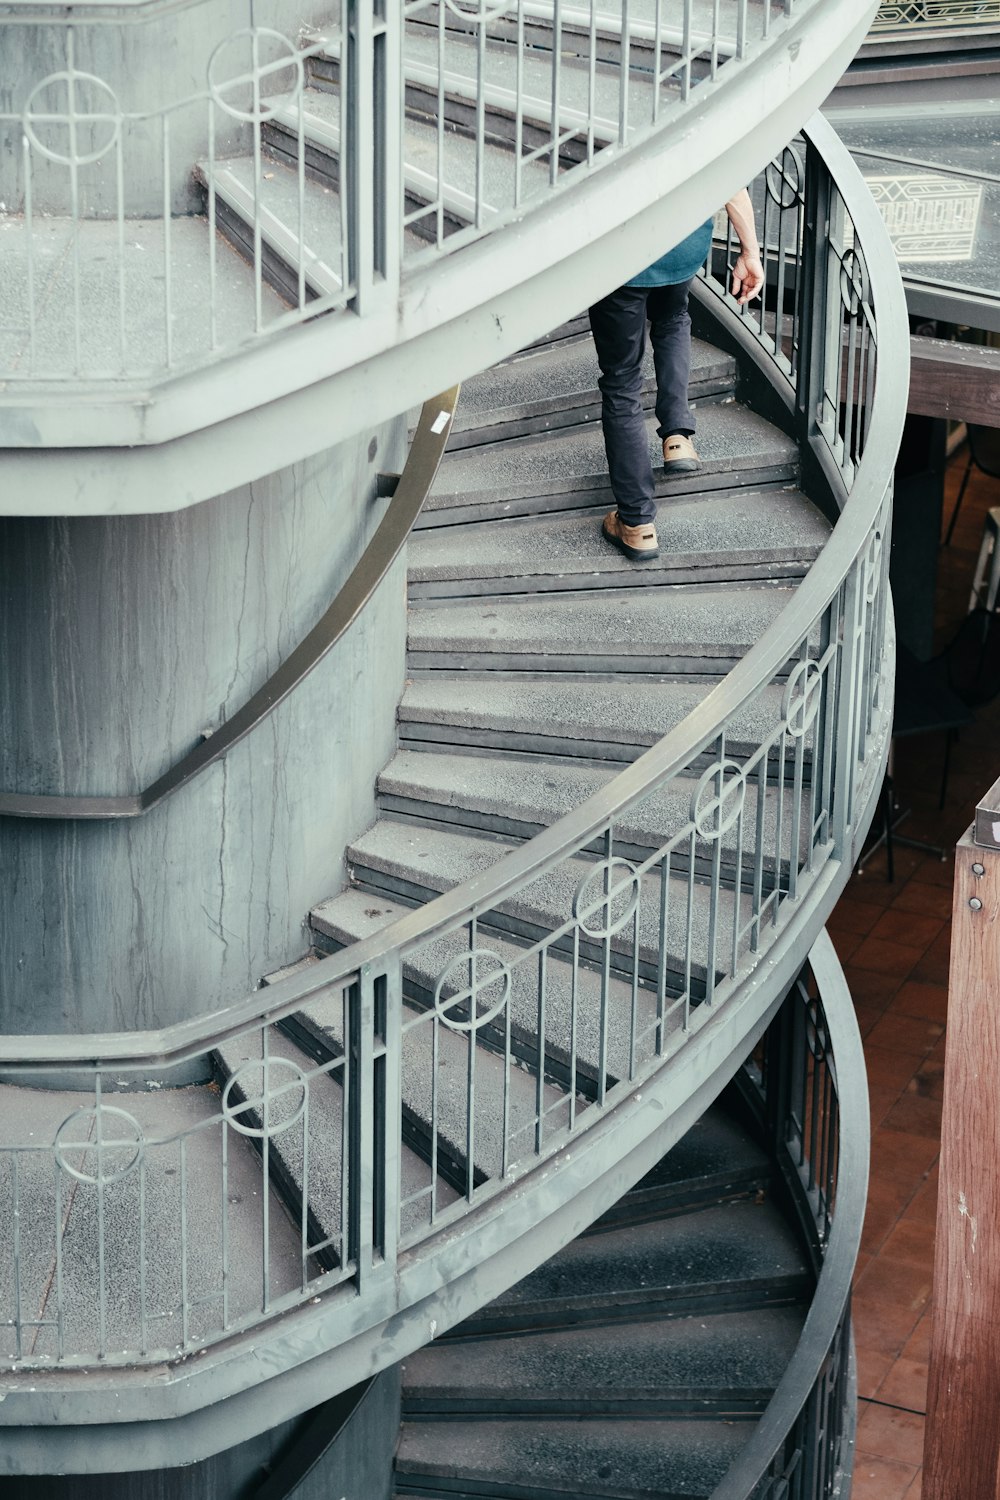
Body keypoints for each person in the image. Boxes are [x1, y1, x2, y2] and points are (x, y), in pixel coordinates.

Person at [590, 188, 765, 563]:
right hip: (683, 247)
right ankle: (677, 437)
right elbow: (731, 179)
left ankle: (636, 523)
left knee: (622, 382)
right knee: (672, 319)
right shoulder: (697, 124)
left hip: (622, 256)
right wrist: (750, 252)